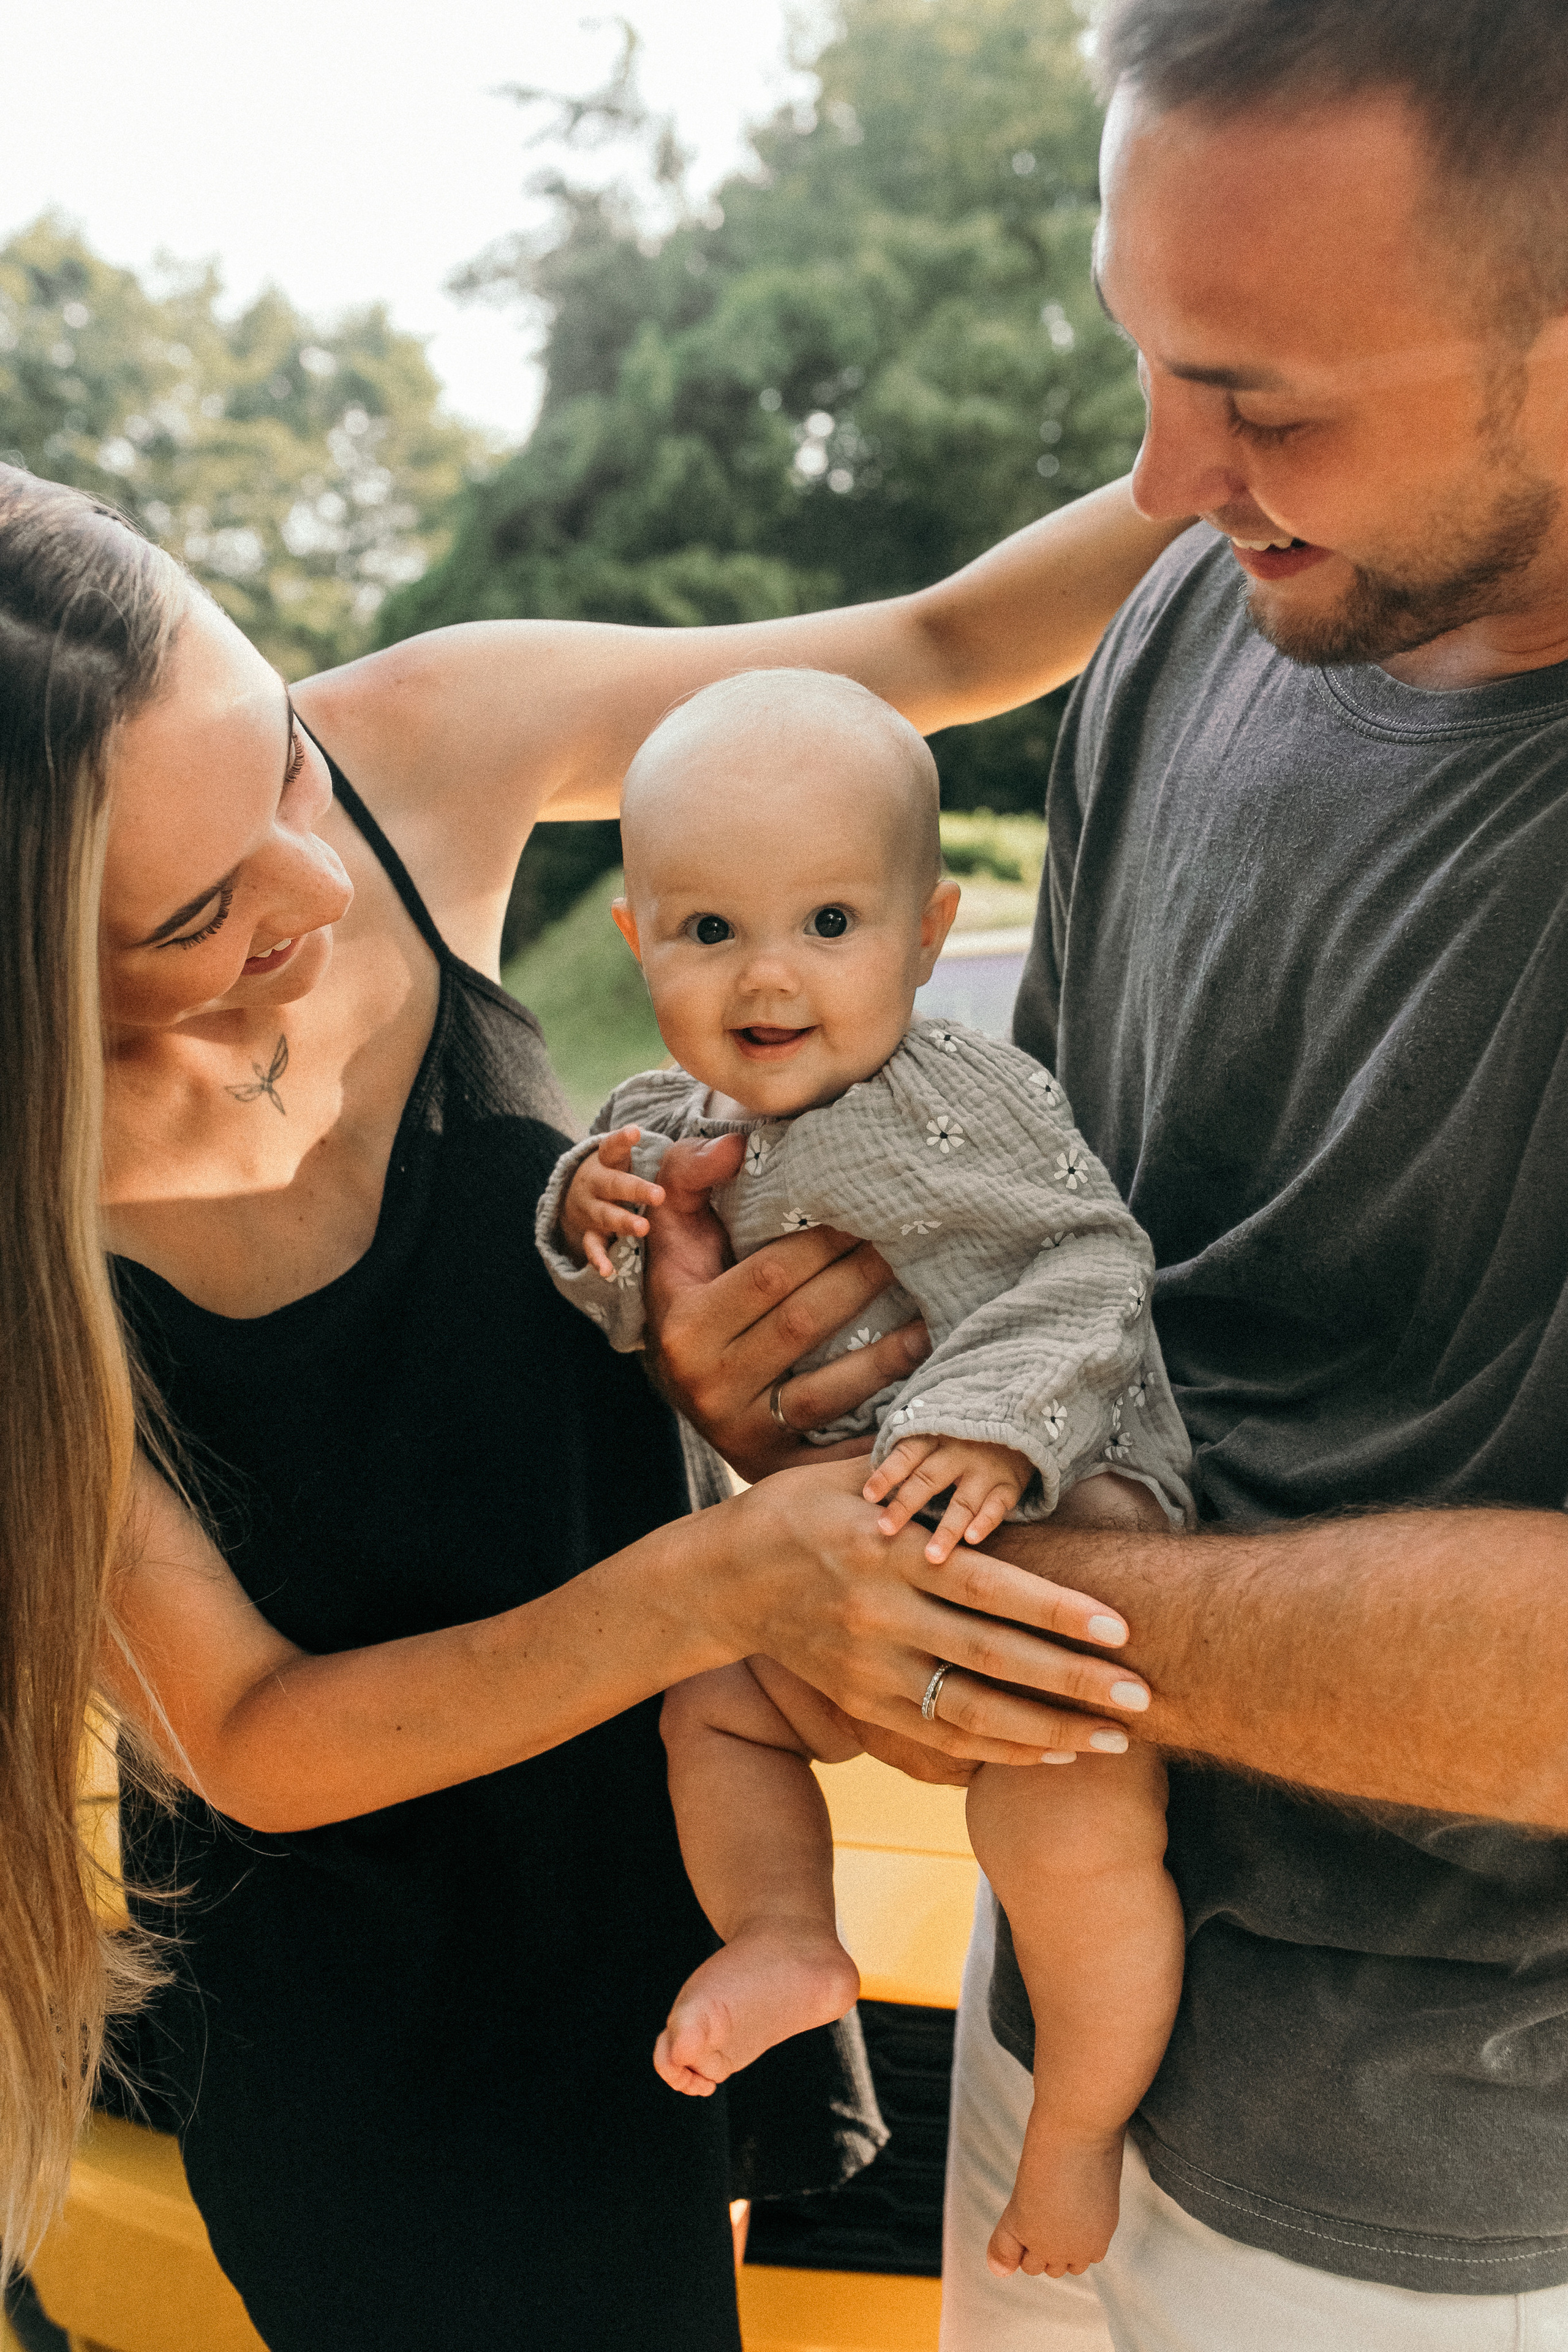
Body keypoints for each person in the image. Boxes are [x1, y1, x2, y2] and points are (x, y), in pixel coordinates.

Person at [0, 459, 1183, 2345]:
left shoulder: (426, 738)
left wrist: (1229, 442)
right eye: (203, 912)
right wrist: (723, 1585)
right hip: (383, 2024)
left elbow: (944, 640)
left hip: (692, 1859)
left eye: (287, 762)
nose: (323, 877)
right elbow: (248, 1736)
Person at [636, 2, 1568, 2345]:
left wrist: (961, 1595)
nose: (1160, 475)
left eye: (1260, 397)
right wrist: (803, 1384)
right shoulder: (1220, 595)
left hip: (1434, 2191)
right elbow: (1053, 1236)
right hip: (1059, 2002)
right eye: (1141, 355)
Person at [536, 666, 1192, 2280]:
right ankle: (786, 1937)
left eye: (829, 923)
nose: (768, 974)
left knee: (1072, 1827)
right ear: (636, 940)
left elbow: (1093, 1266)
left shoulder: (968, 1099)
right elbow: (628, 1310)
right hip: (834, 1564)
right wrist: (584, 1225)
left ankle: (1076, 2134)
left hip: (1046, 1516)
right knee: (713, 1704)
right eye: (708, 931)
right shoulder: (654, 1126)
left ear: (925, 931)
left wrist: (992, 1418)